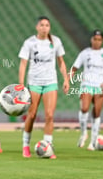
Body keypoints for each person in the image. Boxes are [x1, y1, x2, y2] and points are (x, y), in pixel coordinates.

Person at [18, 16, 70, 159]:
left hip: (50, 82)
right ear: (37, 27)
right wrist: (21, 84)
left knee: (49, 115)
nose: (44, 27)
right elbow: (23, 64)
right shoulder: (29, 43)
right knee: (32, 114)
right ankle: (25, 145)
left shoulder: (56, 41)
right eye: (42, 25)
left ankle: (48, 146)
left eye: (47, 25)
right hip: (34, 82)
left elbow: (61, 62)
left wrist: (66, 79)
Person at [69, 29, 103, 151]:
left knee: (96, 113)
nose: (97, 42)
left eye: (99, 40)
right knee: (84, 108)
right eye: (95, 39)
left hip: (99, 85)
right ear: (91, 39)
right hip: (87, 84)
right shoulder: (85, 53)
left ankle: (93, 142)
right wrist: (68, 79)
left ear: (102, 41)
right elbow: (75, 67)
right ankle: (84, 133)